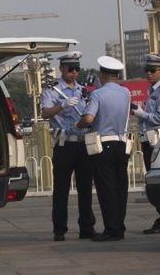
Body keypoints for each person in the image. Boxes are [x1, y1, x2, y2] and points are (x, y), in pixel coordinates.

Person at [41, 51, 96, 242]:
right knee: (61, 190)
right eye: (70, 69)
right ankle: (59, 229)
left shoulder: (83, 90)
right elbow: (45, 113)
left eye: (77, 69)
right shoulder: (53, 90)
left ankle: (87, 227)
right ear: (62, 68)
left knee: (85, 189)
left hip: (82, 144)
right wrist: (62, 105)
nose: (74, 73)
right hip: (64, 144)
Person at [76, 56, 131, 242]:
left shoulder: (98, 94)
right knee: (120, 187)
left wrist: (79, 123)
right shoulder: (126, 93)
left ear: (102, 74)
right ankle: (120, 226)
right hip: (122, 143)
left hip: (103, 144)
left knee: (106, 188)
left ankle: (111, 228)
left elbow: (89, 119)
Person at [131, 54, 160, 234]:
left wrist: (141, 113)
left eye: (152, 70)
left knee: (158, 183)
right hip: (150, 140)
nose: (148, 74)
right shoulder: (153, 91)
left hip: (157, 141)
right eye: (146, 70)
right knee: (155, 182)